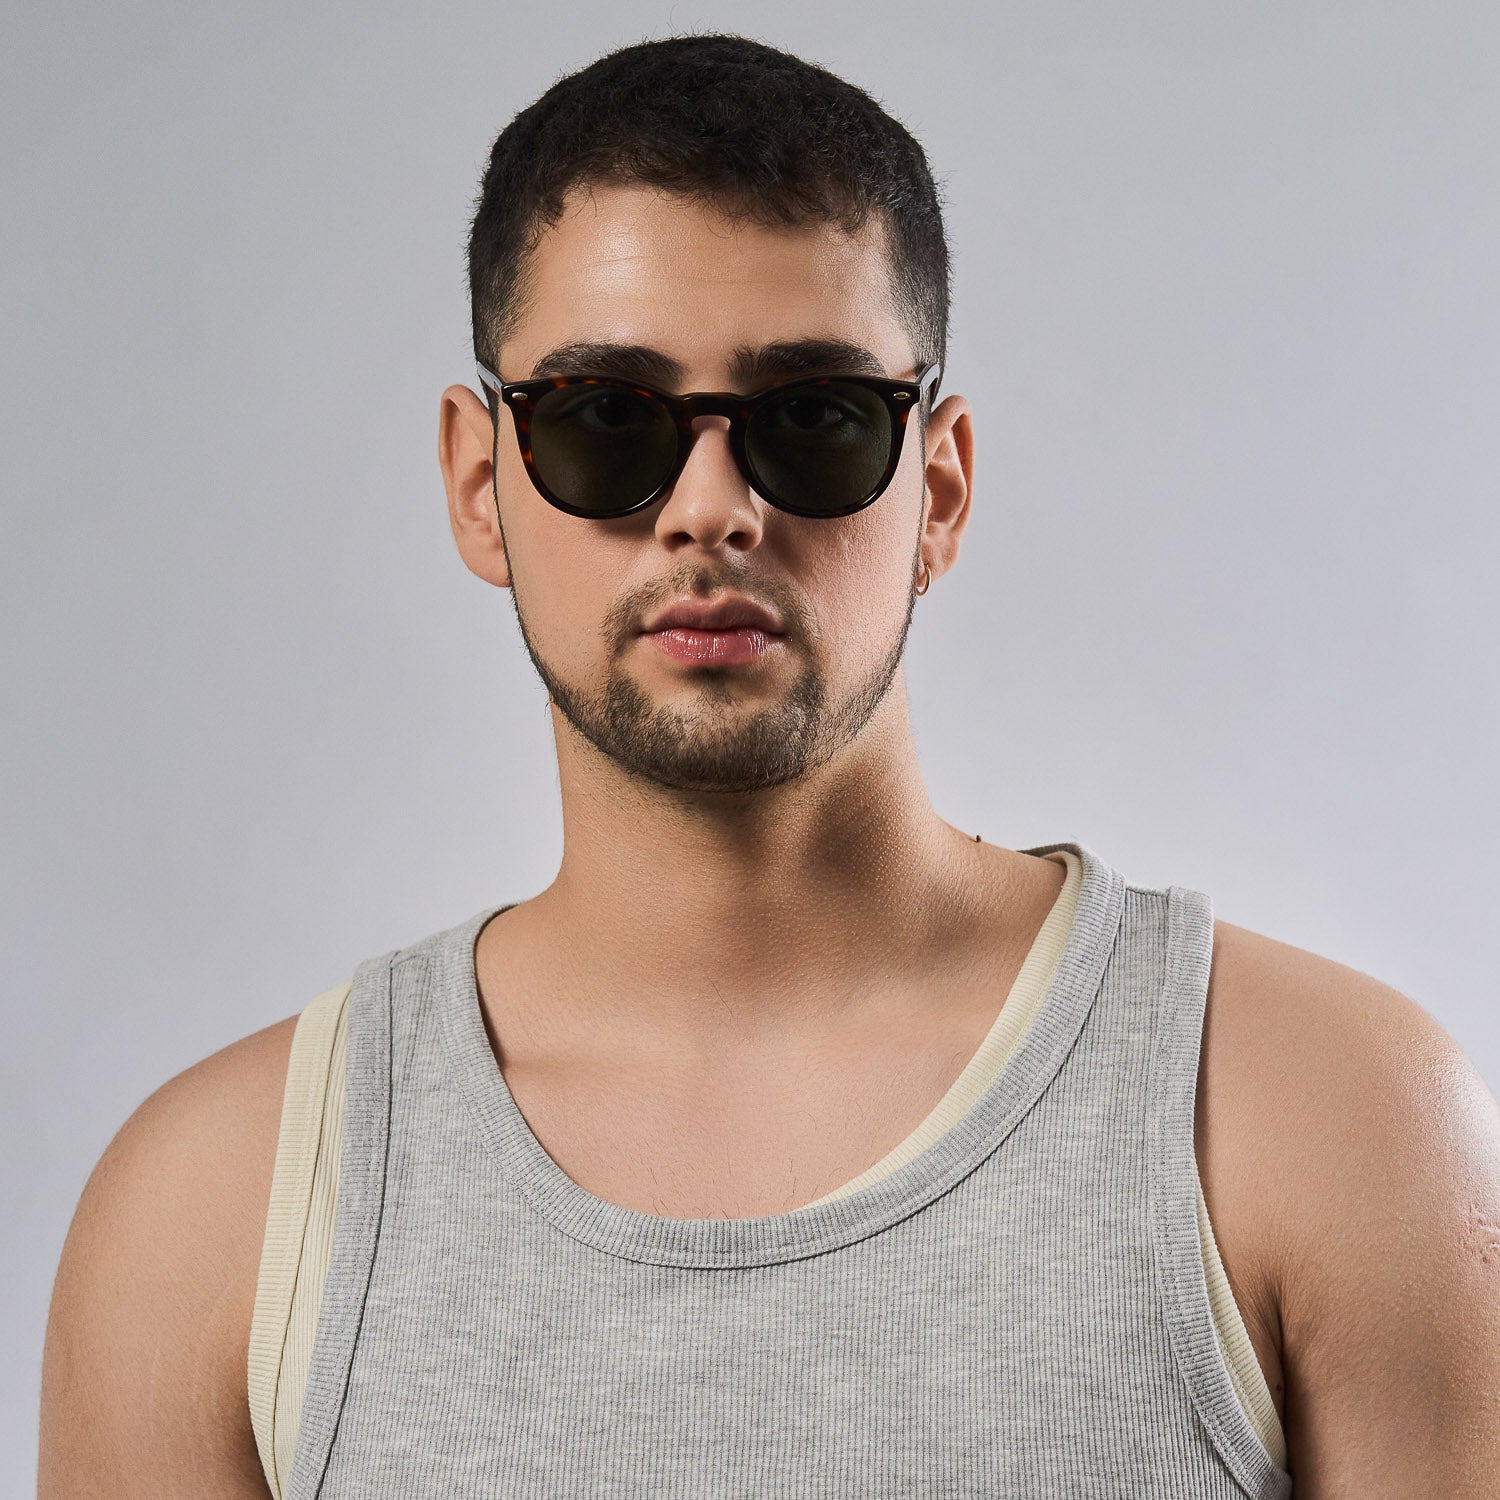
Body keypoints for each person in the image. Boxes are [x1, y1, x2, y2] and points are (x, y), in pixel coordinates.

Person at [38, 33, 1500, 1499]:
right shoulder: (211, 1222)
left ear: (938, 488)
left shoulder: (1330, 1124)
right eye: (607, 420)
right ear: (482, 482)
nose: (711, 509)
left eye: (812, 419)